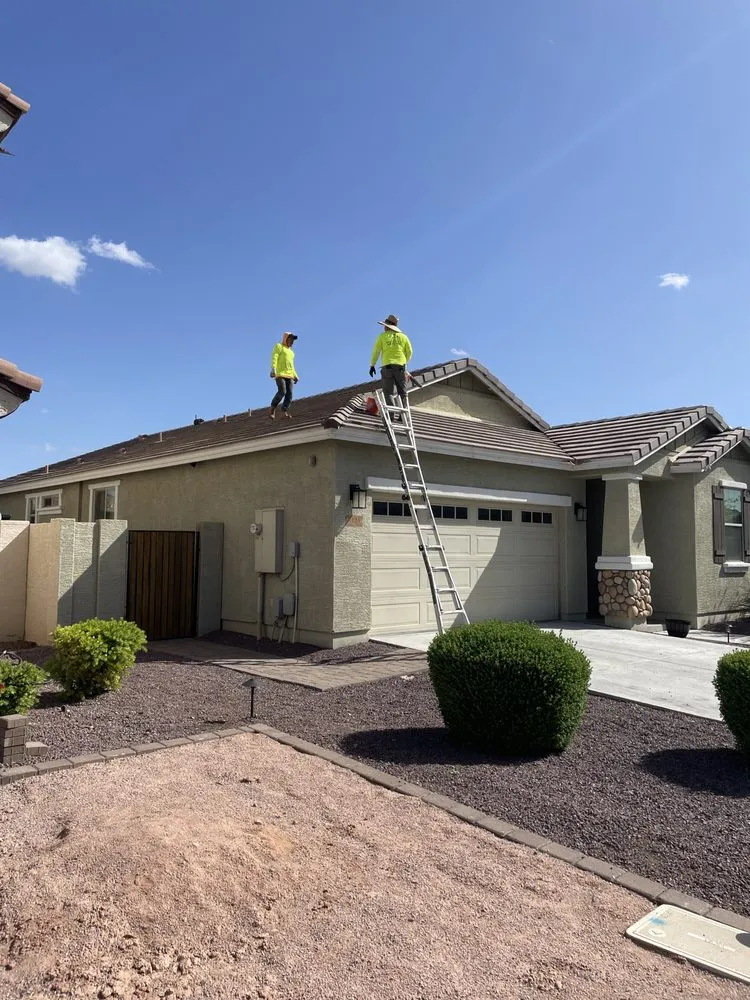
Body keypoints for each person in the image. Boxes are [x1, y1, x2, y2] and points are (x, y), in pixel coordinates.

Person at [369, 314, 413, 413]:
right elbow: (409, 352)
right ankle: (403, 415)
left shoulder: (382, 336)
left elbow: (376, 351)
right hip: (400, 367)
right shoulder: (404, 337)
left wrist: (372, 365)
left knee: (388, 392)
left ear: (387, 326)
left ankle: (391, 414)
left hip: (387, 367)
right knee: (402, 392)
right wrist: (404, 363)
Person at [269, 332, 299, 419]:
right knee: (282, 391)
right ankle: (272, 409)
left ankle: (284, 412)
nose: (292, 341)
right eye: (290, 339)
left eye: (293, 340)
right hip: (280, 374)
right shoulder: (279, 346)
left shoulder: (291, 352)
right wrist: (273, 369)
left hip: (289, 375)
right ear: (285, 339)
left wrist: (295, 375)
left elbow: (291, 365)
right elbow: (274, 357)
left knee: (289, 394)